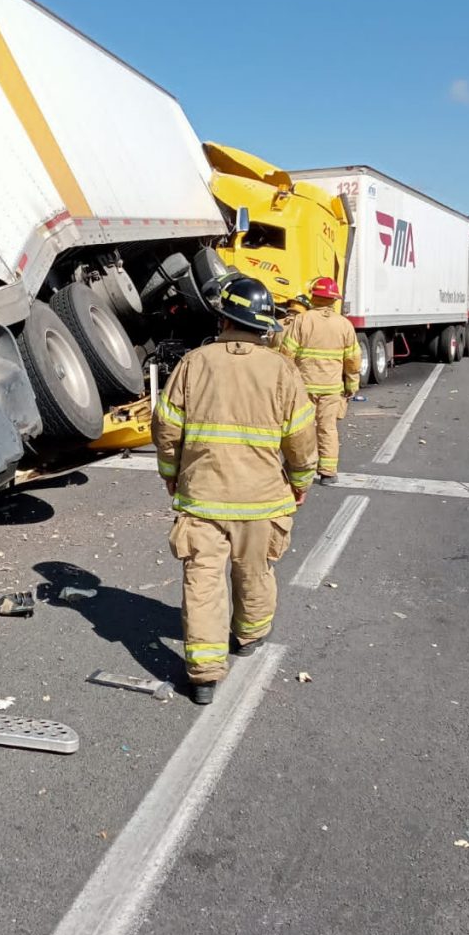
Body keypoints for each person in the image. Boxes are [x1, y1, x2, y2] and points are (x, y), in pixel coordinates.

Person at [152, 274, 316, 705]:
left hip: (202, 499)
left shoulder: (194, 363)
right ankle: (249, 636)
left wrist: (171, 473)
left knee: (203, 583)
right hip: (263, 500)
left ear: (223, 318)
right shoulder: (281, 369)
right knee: (255, 571)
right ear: (263, 326)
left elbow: (166, 428)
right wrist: (301, 481)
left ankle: (204, 677)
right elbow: (301, 437)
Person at [279, 276, 360, 486]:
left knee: (300, 429)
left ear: (314, 297)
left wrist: (285, 384)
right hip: (331, 389)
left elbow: (287, 354)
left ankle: (296, 468)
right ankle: (328, 473)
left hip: (304, 387)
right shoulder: (344, 325)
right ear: (334, 300)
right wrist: (352, 384)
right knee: (327, 428)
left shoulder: (302, 320)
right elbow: (352, 360)